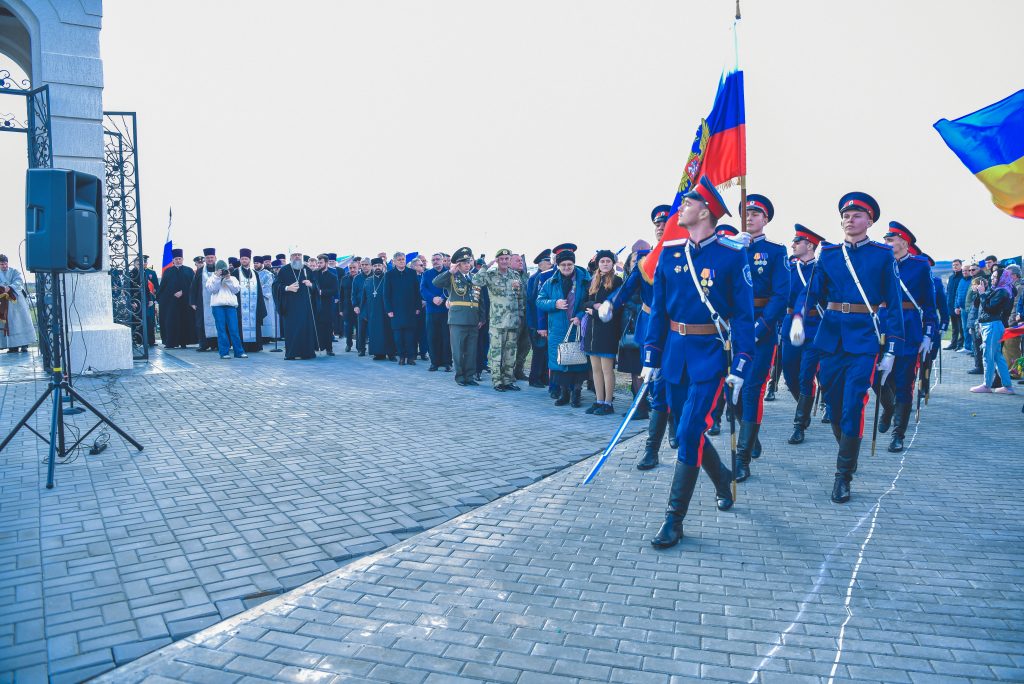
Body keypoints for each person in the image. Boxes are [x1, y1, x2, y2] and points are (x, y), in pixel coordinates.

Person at [641, 176, 751, 549]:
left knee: (688, 433)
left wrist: (742, 364)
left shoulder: (732, 256)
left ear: (705, 212)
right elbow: (658, 310)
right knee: (690, 431)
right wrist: (651, 355)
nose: (681, 207)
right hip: (674, 354)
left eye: (688, 203)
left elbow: (744, 315)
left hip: (710, 355)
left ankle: (674, 520)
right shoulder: (671, 253)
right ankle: (722, 480)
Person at [792, 192, 904, 504]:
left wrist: (892, 349)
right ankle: (848, 451)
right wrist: (799, 317)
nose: (849, 220)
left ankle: (843, 475)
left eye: (856, 216)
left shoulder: (881, 255)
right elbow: (811, 292)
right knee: (834, 404)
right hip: (830, 337)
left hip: (864, 338)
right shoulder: (829, 254)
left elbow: (894, 303)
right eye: (845, 215)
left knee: (853, 404)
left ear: (869, 221)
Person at [730, 194, 787, 482]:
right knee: (732, 392)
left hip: (761, 329)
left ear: (765, 219)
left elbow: (781, 294)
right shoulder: (729, 248)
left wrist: (760, 326)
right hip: (732, 326)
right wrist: (733, 250)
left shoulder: (775, 252)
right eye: (745, 213)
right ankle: (750, 436)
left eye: (755, 213)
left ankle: (742, 458)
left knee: (751, 389)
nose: (749, 217)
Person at [876, 223, 936, 452]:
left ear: (903, 241)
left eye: (890, 240)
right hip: (882, 326)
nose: (886, 243)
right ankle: (889, 407)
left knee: (904, 382)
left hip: (908, 329)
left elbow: (929, 304)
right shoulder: (881, 263)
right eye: (885, 239)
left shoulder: (920, 266)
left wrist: (929, 333)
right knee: (877, 378)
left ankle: (898, 434)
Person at [780, 225, 825, 445]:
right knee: (789, 374)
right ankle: (804, 407)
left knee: (806, 375)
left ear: (809, 245)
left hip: (814, 326)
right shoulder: (788, 268)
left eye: (797, 242)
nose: (793, 245)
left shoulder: (821, 269)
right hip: (790, 324)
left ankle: (799, 425)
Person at [537, 247, 590, 406]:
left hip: (577, 327)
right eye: (563, 265)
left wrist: (580, 316)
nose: (566, 267)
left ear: (574, 264)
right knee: (560, 363)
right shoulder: (550, 282)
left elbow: (588, 301)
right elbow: (539, 301)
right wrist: (555, 303)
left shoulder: (585, 280)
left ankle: (576, 394)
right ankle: (564, 394)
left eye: (569, 264)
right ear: (558, 265)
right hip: (558, 329)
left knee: (578, 363)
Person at [473, 249, 526, 391]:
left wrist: (520, 314)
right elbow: (475, 280)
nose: (504, 261)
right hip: (497, 321)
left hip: (513, 320)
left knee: (510, 352)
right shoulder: (490, 274)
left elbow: (520, 296)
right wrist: (487, 266)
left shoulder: (515, 275)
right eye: (501, 259)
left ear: (510, 260)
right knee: (496, 352)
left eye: (506, 258)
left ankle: (508, 380)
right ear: (497, 260)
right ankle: (497, 381)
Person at [582, 250, 623, 415]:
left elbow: (617, 308)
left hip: (608, 331)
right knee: (595, 369)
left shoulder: (617, 281)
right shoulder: (593, 281)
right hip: (592, 332)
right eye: (602, 261)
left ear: (613, 263)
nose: (605, 264)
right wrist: (594, 306)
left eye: (608, 261)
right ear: (597, 263)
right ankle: (598, 400)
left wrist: (597, 312)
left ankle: (608, 402)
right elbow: (584, 303)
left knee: (607, 370)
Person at [433, 247, 480, 386]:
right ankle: (460, 377)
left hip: (473, 319)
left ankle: (469, 377)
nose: (467, 265)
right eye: (463, 263)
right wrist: (449, 272)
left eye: (468, 262)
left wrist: (482, 318)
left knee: (471, 351)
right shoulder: (452, 277)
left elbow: (480, 299)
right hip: (458, 319)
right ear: (458, 265)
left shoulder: (474, 278)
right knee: (458, 351)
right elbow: (436, 283)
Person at [972, 268, 1016, 394]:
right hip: (990, 325)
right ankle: (1007, 386)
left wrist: (982, 293)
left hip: (992, 325)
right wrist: (980, 292)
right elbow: (978, 305)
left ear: (1002, 278)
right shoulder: (996, 290)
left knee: (988, 356)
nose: (992, 278)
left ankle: (987, 385)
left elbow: (990, 308)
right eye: (992, 276)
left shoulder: (1002, 291)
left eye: (996, 277)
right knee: (997, 356)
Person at [274, 250, 319, 360]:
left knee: (305, 329)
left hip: (305, 306)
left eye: (299, 255)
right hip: (290, 306)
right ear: (290, 257)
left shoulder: (307, 269)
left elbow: (316, 286)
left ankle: (307, 353)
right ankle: (291, 353)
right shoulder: (284, 270)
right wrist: (287, 288)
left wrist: (311, 284)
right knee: (292, 330)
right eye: (295, 255)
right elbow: (275, 286)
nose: (297, 257)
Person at [383, 251, 422, 365]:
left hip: (410, 309)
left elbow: (417, 291)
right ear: (394, 262)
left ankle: (411, 357)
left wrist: (418, 307)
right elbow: (386, 294)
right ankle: (401, 356)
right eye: (399, 259)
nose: (401, 261)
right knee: (398, 336)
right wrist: (389, 310)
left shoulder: (412, 273)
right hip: (395, 310)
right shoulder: (389, 275)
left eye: (403, 259)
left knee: (410, 336)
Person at [156, 248, 197, 349]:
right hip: (172, 303)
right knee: (172, 322)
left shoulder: (189, 270)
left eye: (180, 259)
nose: (178, 261)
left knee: (185, 321)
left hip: (186, 302)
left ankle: (184, 342)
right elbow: (163, 287)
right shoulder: (168, 271)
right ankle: (171, 342)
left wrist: (183, 292)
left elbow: (193, 286)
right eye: (176, 259)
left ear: (182, 259)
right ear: (173, 260)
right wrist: (172, 294)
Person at [205, 259, 246, 359]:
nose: (223, 271)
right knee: (221, 330)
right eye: (220, 270)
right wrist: (217, 277)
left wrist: (228, 278)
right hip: (218, 307)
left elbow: (236, 290)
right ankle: (224, 353)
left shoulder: (232, 278)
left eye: (224, 269)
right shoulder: (211, 278)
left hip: (231, 307)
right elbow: (213, 290)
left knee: (234, 329)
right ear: (216, 270)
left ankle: (239, 352)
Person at [527, 249, 555, 389]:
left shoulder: (546, 276)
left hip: (542, 321)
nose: (550, 263)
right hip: (536, 321)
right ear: (540, 264)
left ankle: (544, 377)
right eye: (547, 261)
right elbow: (533, 301)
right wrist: (538, 324)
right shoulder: (536, 278)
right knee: (539, 350)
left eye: (550, 260)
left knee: (545, 351)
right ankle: (534, 378)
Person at [358, 257, 396, 360]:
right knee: (375, 332)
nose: (377, 267)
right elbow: (364, 299)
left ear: (383, 266)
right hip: (372, 312)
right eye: (375, 266)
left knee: (388, 332)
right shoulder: (368, 281)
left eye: (379, 265)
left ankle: (391, 354)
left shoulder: (389, 279)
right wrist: (364, 312)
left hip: (386, 311)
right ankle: (378, 353)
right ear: (372, 267)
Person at [230, 249, 267, 353]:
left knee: (254, 323)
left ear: (249, 260)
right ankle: (242, 346)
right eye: (242, 259)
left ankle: (255, 346)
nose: (244, 260)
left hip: (254, 306)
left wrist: (260, 305)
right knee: (240, 324)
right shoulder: (236, 272)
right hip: (241, 306)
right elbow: (233, 289)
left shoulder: (255, 273)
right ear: (240, 260)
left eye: (246, 259)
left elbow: (259, 290)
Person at [421, 252, 452, 371]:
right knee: (432, 337)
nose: (435, 261)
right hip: (431, 310)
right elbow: (423, 289)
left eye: (438, 259)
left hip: (445, 310)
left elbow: (451, 288)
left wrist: (442, 298)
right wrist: (433, 298)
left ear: (443, 260)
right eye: (433, 260)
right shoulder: (426, 274)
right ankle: (434, 362)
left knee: (446, 337)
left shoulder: (449, 272)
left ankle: (447, 363)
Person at [0, 254, 35, 352]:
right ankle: (13, 346)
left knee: (22, 321)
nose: (4, 266)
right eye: (2, 264)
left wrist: (10, 287)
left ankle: (25, 344)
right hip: (5, 302)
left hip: (17, 301)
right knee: (9, 324)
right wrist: (2, 288)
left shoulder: (14, 272)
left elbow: (19, 281)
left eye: (5, 263)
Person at [189, 248, 220, 351]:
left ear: (215, 258)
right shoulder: (200, 271)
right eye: (208, 258)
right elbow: (193, 287)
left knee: (218, 322)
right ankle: (204, 344)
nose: (210, 259)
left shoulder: (220, 270)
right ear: (205, 259)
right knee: (201, 323)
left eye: (211, 257)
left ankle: (217, 344)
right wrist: (192, 302)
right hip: (202, 302)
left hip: (218, 302)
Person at [510, 253, 531, 382]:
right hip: (513, 315)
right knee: (511, 345)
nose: (521, 262)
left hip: (526, 315)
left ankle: (519, 370)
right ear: (510, 262)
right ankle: (508, 371)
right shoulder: (508, 275)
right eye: (517, 261)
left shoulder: (525, 276)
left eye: (521, 261)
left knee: (525, 344)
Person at [313, 254, 339, 356]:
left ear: (326, 263)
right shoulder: (314, 274)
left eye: (321, 262)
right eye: (318, 262)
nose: (319, 264)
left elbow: (334, 290)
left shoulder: (332, 276)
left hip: (327, 305)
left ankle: (329, 349)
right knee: (317, 326)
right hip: (315, 304)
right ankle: (317, 346)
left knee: (328, 327)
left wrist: (322, 292)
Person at [256, 255, 278, 342]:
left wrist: (258, 291)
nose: (255, 265)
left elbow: (268, 286)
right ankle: (260, 336)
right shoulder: (253, 273)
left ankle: (267, 336)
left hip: (265, 299)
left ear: (261, 264)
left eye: (257, 263)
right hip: (256, 299)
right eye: (254, 263)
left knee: (267, 317)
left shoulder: (268, 274)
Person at [352, 258, 370, 356]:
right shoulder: (357, 278)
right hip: (360, 306)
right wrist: (355, 305)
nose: (364, 266)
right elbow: (353, 294)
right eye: (362, 265)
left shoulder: (375, 276)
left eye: (366, 264)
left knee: (374, 329)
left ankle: (375, 350)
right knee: (361, 329)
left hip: (373, 307)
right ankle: (361, 349)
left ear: (370, 265)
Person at [339, 258, 358, 352]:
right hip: (347, 307)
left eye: (354, 267)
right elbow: (341, 295)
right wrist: (340, 309)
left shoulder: (361, 278)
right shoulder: (344, 279)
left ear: (358, 267)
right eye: (350, 268)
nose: (352, 269)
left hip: (359, 307)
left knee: (359, 328)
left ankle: (359, 346)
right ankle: (348, 344)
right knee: (348, 327)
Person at [945, 259, 964, 350]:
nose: (955, 266)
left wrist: (959, 305)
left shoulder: (963, 277)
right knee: (954, 327)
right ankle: (953, 343)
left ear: (961, 265)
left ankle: (960, 344)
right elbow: (948, 291)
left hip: (959, 306)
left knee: (961, 326)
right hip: (950, 305)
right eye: (953, 265)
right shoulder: (951, 277)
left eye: (957, 265)